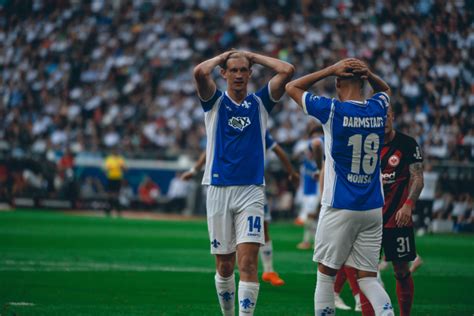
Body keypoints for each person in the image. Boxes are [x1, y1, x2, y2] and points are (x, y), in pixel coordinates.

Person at [286, 58, 394, 316]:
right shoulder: (377, 108)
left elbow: (292, 87)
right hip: (372, 208)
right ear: (364, 82)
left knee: (325, 275)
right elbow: (387, 91)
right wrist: (370, 74)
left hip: (340, 205)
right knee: (368, 276)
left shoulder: (333, 110)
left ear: (337, 82)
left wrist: (328, 69)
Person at [193, 50, 294, 316]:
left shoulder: (260, 103)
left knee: (248, 263)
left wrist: (253, 57)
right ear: (224, 74)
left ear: (250, 74)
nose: (238, 75)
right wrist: (222, 57)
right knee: (225, 266)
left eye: (243, 70)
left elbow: (287, 70)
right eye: (233, 70)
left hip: (251, 191)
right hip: (218, 190)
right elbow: (200, 72)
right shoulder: (214, 102)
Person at [182, 130, 300, 287]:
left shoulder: (257, 125)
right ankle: (249, 269)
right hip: (226, 186)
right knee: (233, 241)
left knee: (263, 228)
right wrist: (194, 170)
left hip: (253, 185)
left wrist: (291, 172)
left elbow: (277, 149)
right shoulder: (223, 124)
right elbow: (210, 147)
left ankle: (268, 270)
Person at [359, 106, 425, 316]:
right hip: (369, 219)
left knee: (402, 271)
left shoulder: (407, 144)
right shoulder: (366, 144)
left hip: (398, 220)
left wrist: (408, 204)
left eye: (386, 116)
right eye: (379, 117)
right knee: (366, 274)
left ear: (392, 117)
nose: (384, 120)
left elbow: (417, 177)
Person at [295, 126, 323, 250]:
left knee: (311, 216)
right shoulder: (306, 159)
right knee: (312, 218)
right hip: (307, 192)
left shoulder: (321, 161)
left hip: (316, 191)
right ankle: (316, 242)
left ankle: (308, 241)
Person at [103, 148, 126, 216]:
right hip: (111, 178)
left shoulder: (120, 159)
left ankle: (116, 209)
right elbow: (105, 169)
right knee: (110, 194)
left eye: (116, 150)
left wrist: (122, 167)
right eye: (114, 150)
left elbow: (125, 169)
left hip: (118, 178)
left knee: (116, 195)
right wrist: (110, 169)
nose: (115, 151)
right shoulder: (109, 159)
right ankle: (110, 209)